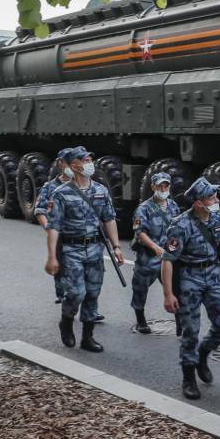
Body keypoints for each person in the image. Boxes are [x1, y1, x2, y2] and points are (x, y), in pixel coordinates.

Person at [161, 177, 220, 400]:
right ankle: (189, 377)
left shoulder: (219, 218)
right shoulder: (180, 225)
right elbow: (168, 260)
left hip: (213, 275)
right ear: (198, 203)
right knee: (191, 330)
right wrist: (168, 294)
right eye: (211, 198)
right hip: (190, 278)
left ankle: (203, 354)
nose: (216, 201)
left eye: (215, 196)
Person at [43, 147, 123, 353]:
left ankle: (88, 337)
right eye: (83, 160)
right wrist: (52, 257)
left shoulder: (101, 191)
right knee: (76, 293)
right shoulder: (60, 194)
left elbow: (109, 218)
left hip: (95, 249)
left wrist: (116, 247)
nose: (88, 162)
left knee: (92, 294)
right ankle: (66, 320)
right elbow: (53, 227)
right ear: (73, 166)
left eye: (89, 158)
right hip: (71, 250)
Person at [129, 172, 180, 334]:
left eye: (166, 186)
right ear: (153, 187)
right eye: (160, 186)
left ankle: (180, 321)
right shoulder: (144, 208)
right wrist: (154, 247)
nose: (163, 189)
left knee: (176, 288)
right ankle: (140, 319)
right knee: (140, 288)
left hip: (169, 257)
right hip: (149, 257)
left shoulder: (173, 206)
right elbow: (140, 232)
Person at [34, 149, 73, 307]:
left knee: (87, 274)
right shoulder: (50, 187)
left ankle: (89, 306)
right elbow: (40, 211)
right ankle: (64, 296)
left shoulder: (87, 185)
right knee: (62, 270)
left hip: (82, 237)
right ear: (60, 164)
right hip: (61, 237)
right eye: (68, 162)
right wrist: (51, 229)